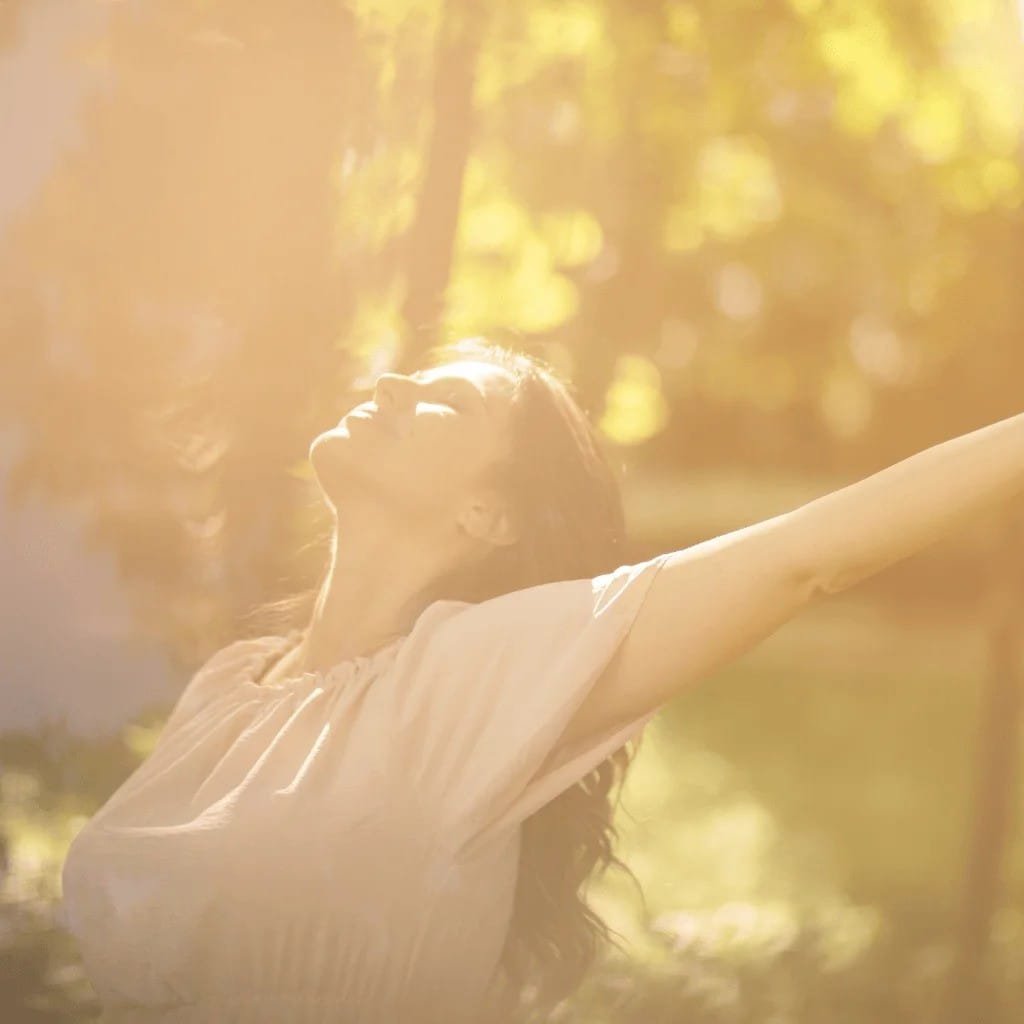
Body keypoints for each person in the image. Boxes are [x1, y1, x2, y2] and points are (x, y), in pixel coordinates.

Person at [59, 336, 1024, 1023]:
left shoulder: (477, 678)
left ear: (492, 515)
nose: (391, 381)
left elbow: (808, 558)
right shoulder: (230, 687)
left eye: (450, 400)